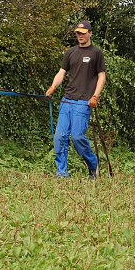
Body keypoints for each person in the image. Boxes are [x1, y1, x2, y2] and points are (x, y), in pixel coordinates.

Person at [45, 20, 106, 179]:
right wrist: (53, 87)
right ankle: (61, 173)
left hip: (84, 102)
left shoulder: (96, 53)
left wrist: (95, 96)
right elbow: (61, 73)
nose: (80, 36)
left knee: (77, 137)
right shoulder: (70, 52)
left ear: (90, 34)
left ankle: (93, 167)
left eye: (83, 33)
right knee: (60, 137)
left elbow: (102, 76)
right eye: (78, 33)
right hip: (67, 100)